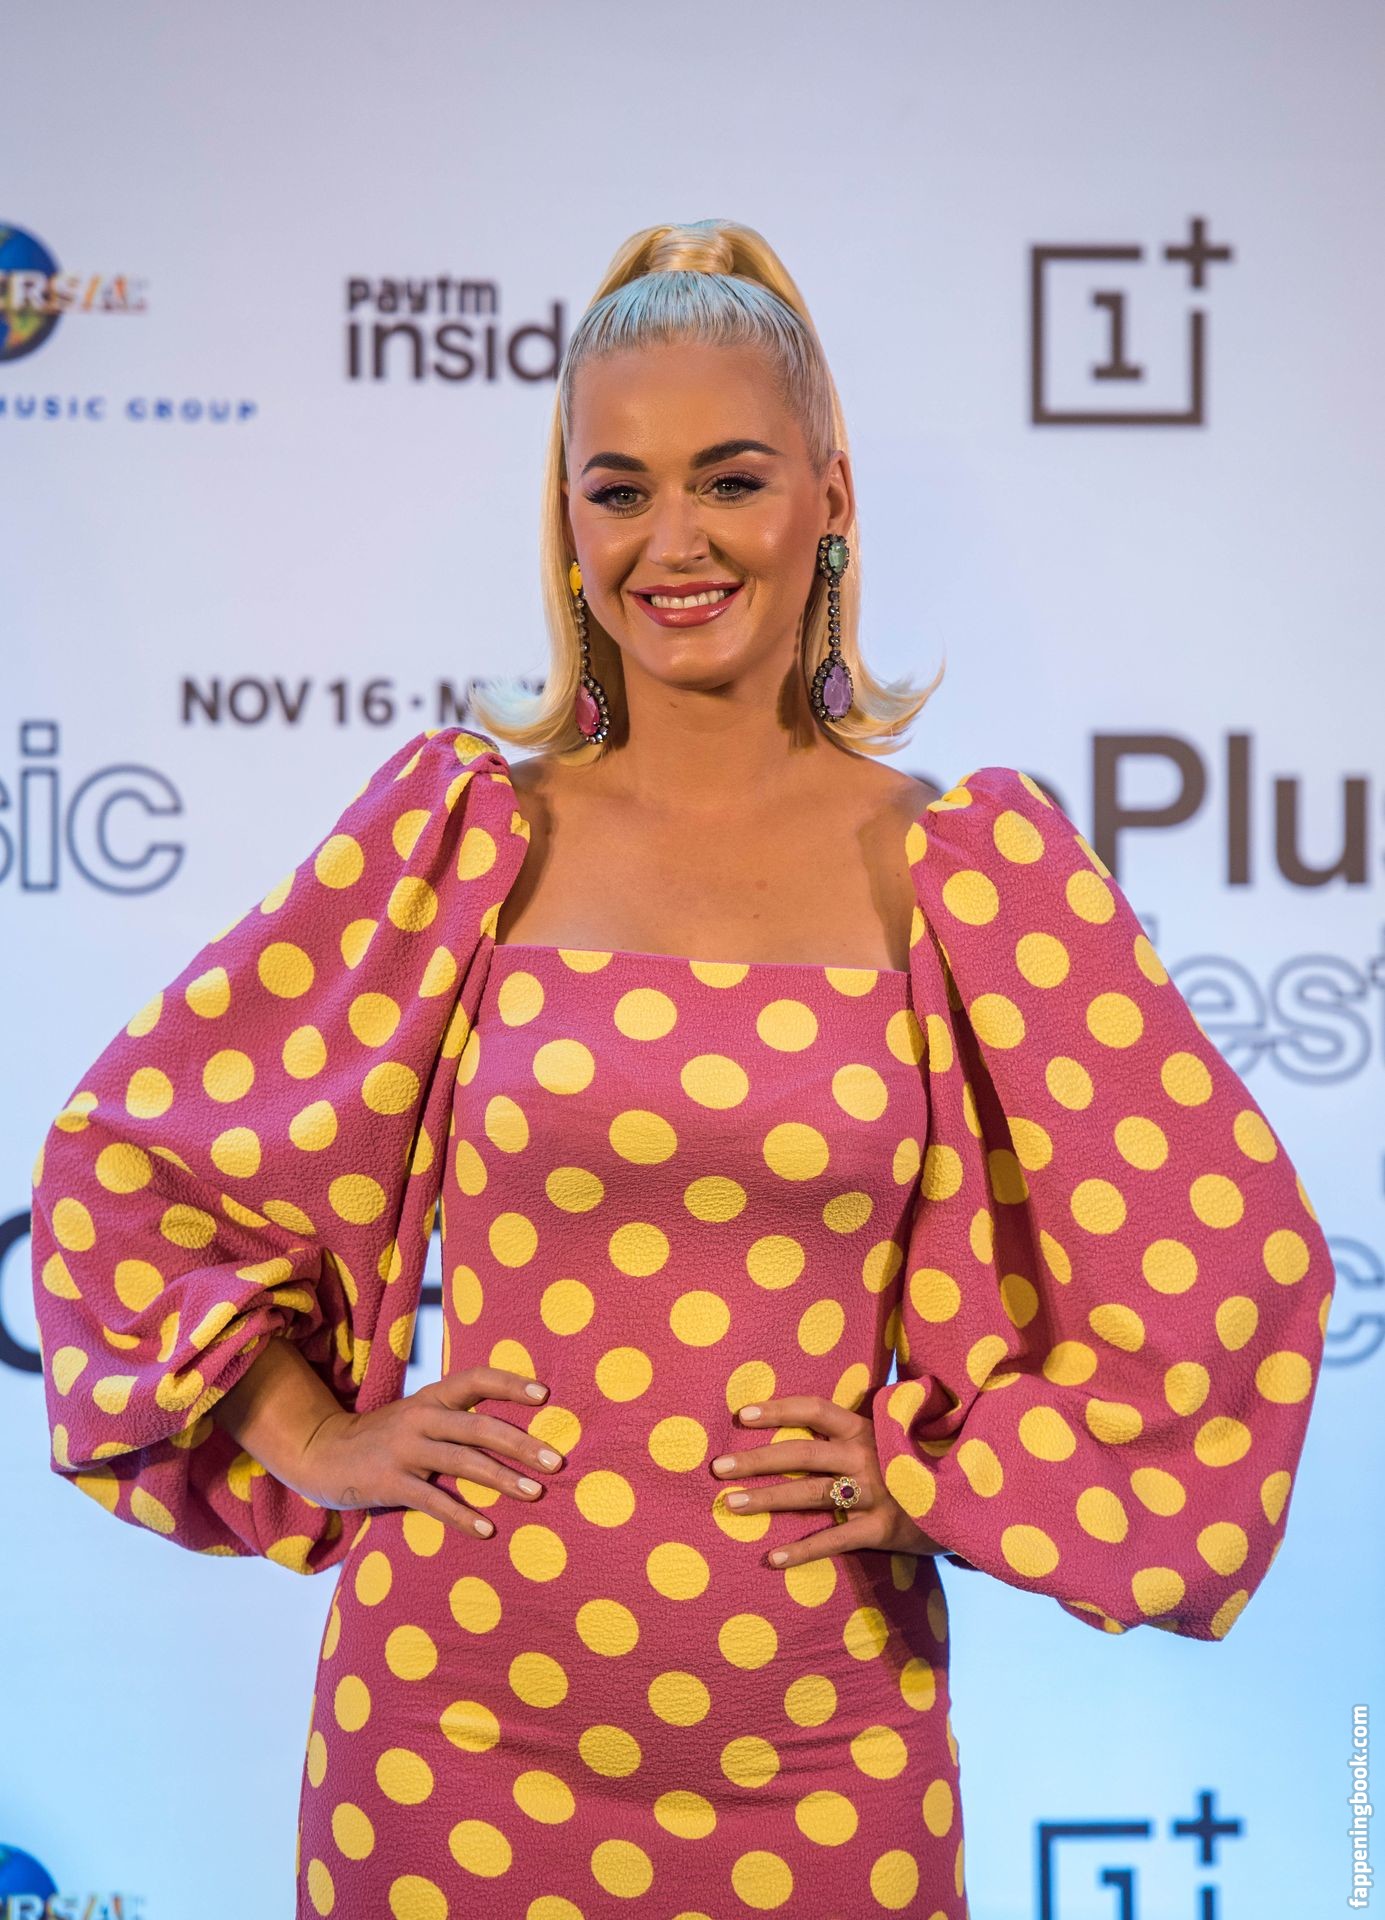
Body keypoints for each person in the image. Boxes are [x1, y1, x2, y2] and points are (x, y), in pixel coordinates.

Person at [29, 218, 1335, 1920]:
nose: (674, 541)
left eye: (730, 479)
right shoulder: (463, 842)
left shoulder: (963, 870)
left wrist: (948, 1475)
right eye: (618, 489)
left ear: (829, 496)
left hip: (823, 1731)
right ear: (568, 525)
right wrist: (312, 1432)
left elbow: (1226, 1266)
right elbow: (128, 1168)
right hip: (446, 1717)